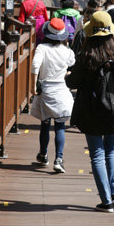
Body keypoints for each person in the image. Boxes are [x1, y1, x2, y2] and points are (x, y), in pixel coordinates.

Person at [66, 10, 114, 212]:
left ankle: (106, 201)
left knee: (97, 155)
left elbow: (73, 82)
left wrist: (68, 76)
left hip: (91, 110)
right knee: (113, 150)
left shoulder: (85, 54)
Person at [31, 18, 75, 173]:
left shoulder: (42, 48)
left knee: (45, 124)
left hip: (46, 90)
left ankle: (43, 155)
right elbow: (71, 66)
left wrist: (32, 86)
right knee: (60, 126)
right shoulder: (68, 51)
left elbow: (35, 65)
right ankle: (59, 159)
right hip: (61, 90)